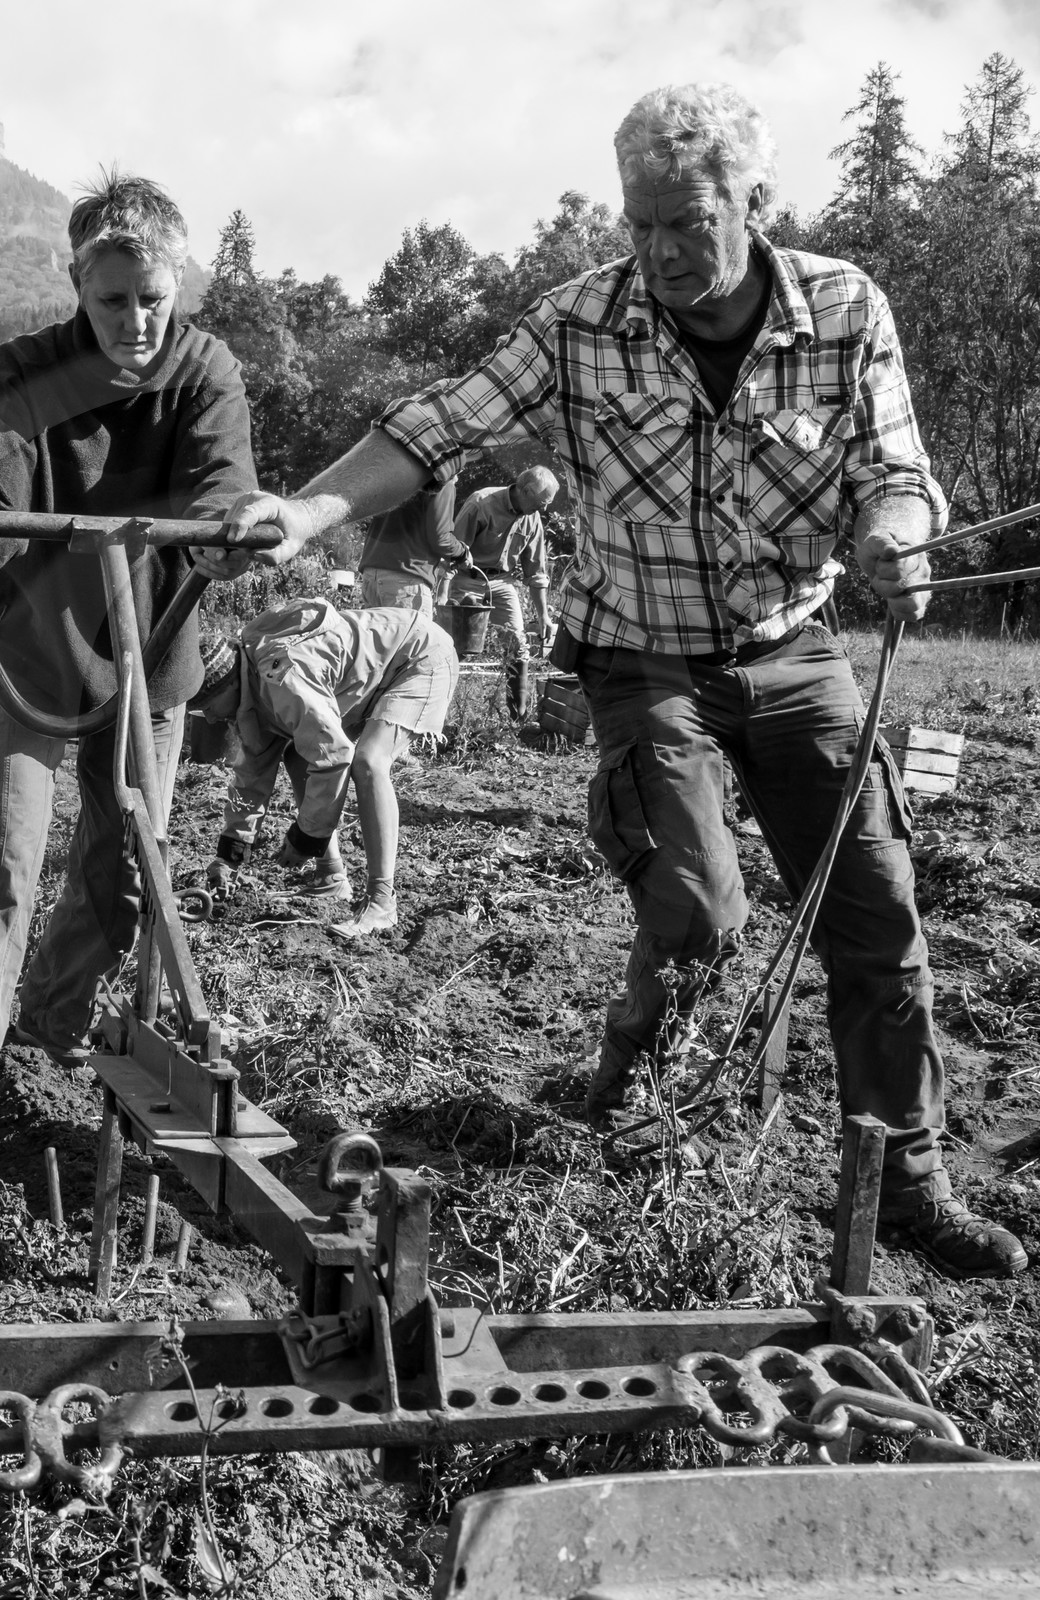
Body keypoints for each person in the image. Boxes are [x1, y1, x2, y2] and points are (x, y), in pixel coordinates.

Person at [216, 83, 1025, 1278]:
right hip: (643, 659)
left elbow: (892, 468)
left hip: (795, 653)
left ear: (752, 200)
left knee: (876, 919)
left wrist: (893, 531)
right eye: (638, 224)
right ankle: (630, 1120)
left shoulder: (848, 307)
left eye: (685, 223)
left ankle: (903, 1182)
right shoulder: (578, 322)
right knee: (698, 912)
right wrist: (308, 511)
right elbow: (435, 426)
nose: (657, 252)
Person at [0, 170, 256, 1192]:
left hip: (154, 658)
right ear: (76, 283)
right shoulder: (26, 371)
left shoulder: (205, 369)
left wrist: (230, 535)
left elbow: (223, 486)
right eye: (112, 301)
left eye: (153, 297)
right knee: (2, 865)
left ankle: (45, 1034)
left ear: (177, 281)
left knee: (124, 871)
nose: (135, 321)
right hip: (35, 658)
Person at [195, 600, 458, 937]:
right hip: (378, 675)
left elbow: (335, 756)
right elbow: (252, 775)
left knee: (369, 762)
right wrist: (230, 853)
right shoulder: (249, 697)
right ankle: (331, 877)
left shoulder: (281, 679)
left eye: (208, 706)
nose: (213, 717)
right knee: (298, 755)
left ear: (227, 684)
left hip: (417, 656)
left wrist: (306, 838)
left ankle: (382, 902)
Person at [452, 465, 559, 678]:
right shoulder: (481, 503)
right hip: (467, 577)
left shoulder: (533, 517)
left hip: (502, 581)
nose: (544, 510)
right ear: (527, 491)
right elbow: (454, 550)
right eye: (542, 503)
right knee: (457, 644)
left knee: (517, 647)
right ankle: (439, 693)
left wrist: (543, 616)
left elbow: (535, 572)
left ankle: (518, 710)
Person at [357, 481, 464, 615]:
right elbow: (441, 539)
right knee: (412, 636)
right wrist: (462, 553)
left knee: (377, 636)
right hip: (406, 581)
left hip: (371, 576)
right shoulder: (442, 481)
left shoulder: (400, 471)